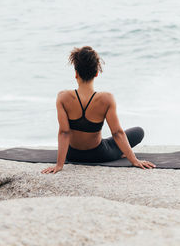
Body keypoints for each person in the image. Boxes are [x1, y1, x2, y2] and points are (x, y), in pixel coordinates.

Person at [41, 46, 155, 174]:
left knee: (112, 140)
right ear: (96, 73)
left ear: (76, 74)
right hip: (99, 154)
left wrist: (59, 165)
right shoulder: (106, 99)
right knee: (138, 132)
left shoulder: (63, 97)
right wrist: (134, 160)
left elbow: (64, 132)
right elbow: (117, 133)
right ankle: (120, 152)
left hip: (72, 155)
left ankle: (118, 151)